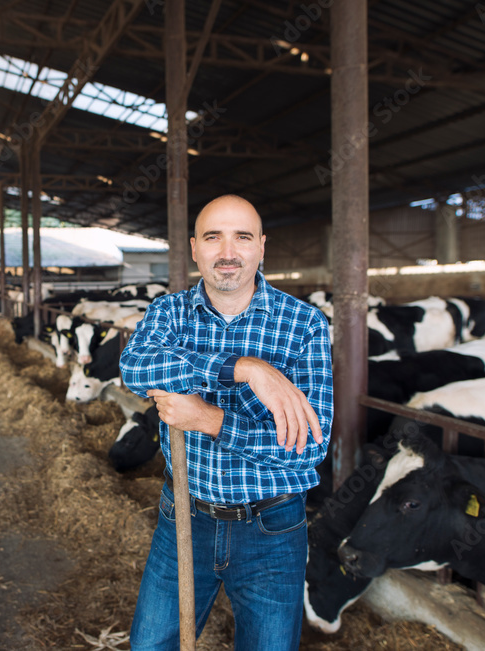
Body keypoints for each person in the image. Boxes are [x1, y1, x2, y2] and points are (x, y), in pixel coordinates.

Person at [119, 194, 333, 650]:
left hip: (272, 529)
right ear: (195, 248)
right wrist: (245, 368)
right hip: (183, 518)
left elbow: (310, 448)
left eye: (243, 237)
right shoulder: (169, 313)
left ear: (261, 248)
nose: (228, 251)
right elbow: (135, 369)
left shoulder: (305, 325)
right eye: (214, 237)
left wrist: (210, 419)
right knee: (150, 646)